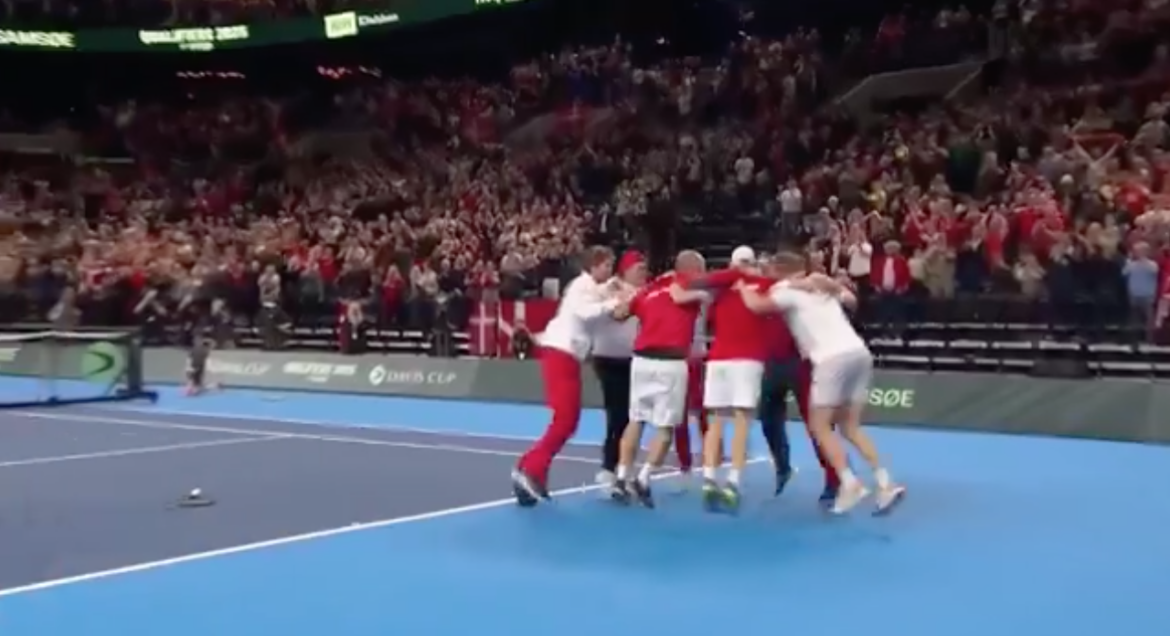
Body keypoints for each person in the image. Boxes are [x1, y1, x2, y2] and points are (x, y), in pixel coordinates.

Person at [738, 251, 906, 515]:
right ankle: (886, 484)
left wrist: (741, 287)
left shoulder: (785, 289)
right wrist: (831, 284)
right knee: (850, 427)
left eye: (771, 267)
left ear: (780, 269)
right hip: (859, 354)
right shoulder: (820, 285)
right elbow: (851, 301)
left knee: (820, 426)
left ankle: (850, 483)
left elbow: (757, 306)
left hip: (831, 359)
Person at [512, 246, 628, 506]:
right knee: (565, 420)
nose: (610, 270)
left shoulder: (592, 289)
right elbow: (585, 312)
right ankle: (530, 469)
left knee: (567, 421)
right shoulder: (580, 287)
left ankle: (529, 468)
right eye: (606, 265)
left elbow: (600, 303)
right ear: (594, 266)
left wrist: (614, 292)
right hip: (560, 355)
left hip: (567, 356)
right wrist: (614, 301)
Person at [612, 250, 708, 508]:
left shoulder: (648, 290)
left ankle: (621, 477)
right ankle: (643, 478)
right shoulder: (690, 285)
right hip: (670, 363)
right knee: (665, 428)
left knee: (636, 420)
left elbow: (619, 314)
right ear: (695, 269)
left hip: (641, 362)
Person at [693, 245, 772, 513]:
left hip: (719, 360)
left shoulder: (721, 290)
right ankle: (733, 483)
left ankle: (708, 479)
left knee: (715, 421)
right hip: (748, 361)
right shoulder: (764, 285)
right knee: (741, 423)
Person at [592, 250, 648, 492]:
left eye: (644, 268)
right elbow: (616, 313)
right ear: (626, 270)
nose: (643, 272)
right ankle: (608, 467)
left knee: (634, 417)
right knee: (617, 415)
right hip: (609, 359)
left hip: (635, 360)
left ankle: (623, 465)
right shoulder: (608, 289)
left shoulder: (645, 292)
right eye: (639, 268)